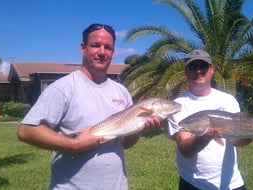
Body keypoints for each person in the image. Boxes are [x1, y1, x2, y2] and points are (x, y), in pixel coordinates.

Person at [17, 23, 162, 190]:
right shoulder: (63, 88)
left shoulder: (121, 91)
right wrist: (74, 145)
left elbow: (125, 143)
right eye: (95, 45)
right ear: (83, 48)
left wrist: (140, 128)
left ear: (113, 52)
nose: (102, 52)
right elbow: (26, 131)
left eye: (108, 47)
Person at [167, 49, 253, 190]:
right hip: (193, 183)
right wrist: (204, 138)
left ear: (211, 70)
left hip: (230, 183)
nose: (198, 71)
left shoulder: (228, 100)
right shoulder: (177, 106)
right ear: (186, 71)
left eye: (203, 66)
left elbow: (235, 140)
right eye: (193, 67)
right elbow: (185, 149)